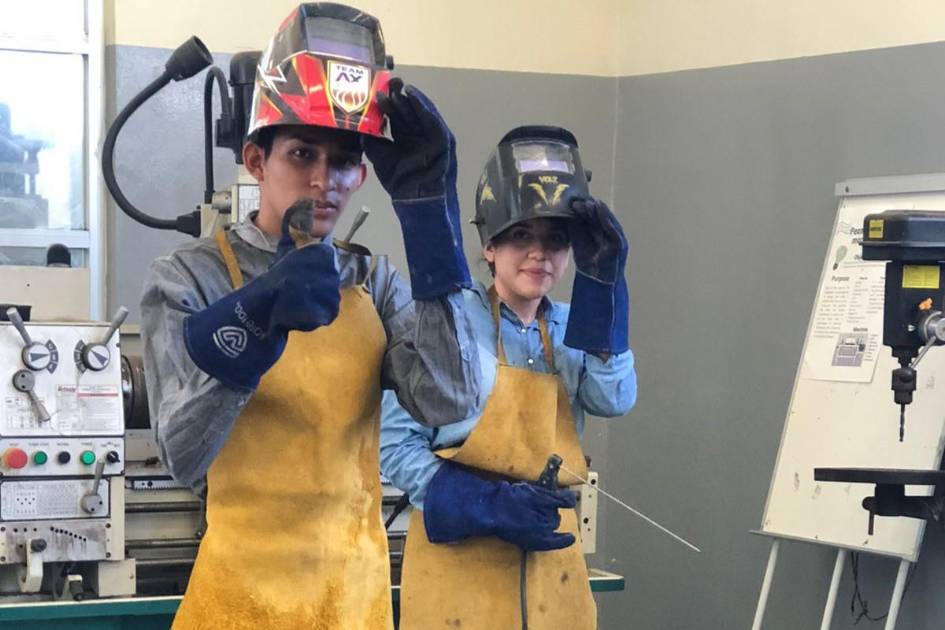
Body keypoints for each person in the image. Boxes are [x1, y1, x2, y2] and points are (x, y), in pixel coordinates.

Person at [139, 4, 480, 629]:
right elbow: (181, 456)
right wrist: (257, 320)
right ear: (256, 160)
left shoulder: (373, 282)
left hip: (353, 604)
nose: (325, 180)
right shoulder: (189, 277)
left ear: (363, 172)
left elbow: (450, 404)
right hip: (240, 606)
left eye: (344, 160)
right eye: (302, 154)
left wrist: (431, 225)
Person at [380, 125, 637, 629]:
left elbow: (614, 399)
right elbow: (395, 445)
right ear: (489, 245)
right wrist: (485, 505)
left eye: (556, 239)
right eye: (521, 235)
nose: (540, 253)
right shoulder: (444, 322)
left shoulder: (576, 329)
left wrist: (606, 295)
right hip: (459, 567)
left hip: (551, 565)